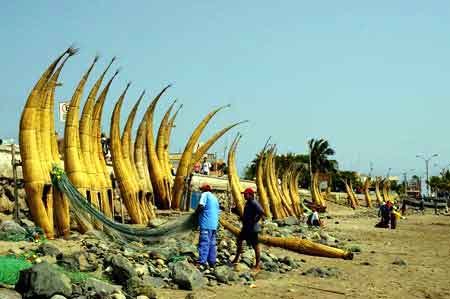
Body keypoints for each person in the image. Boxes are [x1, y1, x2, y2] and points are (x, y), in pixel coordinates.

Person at [231, 188, 264, 271]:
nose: (244, 196)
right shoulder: (248, 203)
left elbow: (261, 212)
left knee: (255, 246)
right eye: (244, 194)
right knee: (239, 240)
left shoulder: (254, 202)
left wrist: (254, 220)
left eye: (246, 194)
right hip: (246, 227)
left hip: (252, 229)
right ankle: (236, 258)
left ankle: (257, 265)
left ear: (250, 195)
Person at [195, 184, 220, 269]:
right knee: (212, 243)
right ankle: (212, 262)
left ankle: (201, 262)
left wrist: (196, 213)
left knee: (204, 242)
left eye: (201, 189)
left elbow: (201, 205)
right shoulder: (215, 198)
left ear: (204, 190)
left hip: (206, 224)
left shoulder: (204, 194)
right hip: (214, 225)